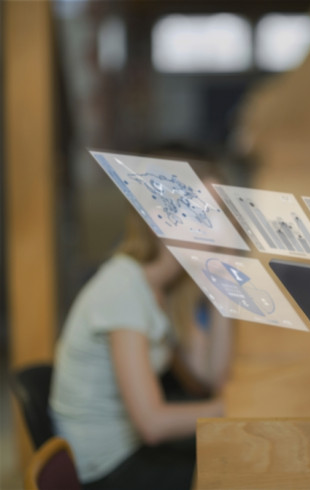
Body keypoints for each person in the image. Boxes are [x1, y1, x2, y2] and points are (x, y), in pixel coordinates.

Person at [50, 157, 234, 489]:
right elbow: (152, 424)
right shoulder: (124, 288)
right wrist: (231, 409)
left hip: (133, 447)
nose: (219, 231)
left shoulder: (172, 288)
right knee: (235, 470)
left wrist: (223, 292)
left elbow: (210, 376)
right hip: (107, 466)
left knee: (237, 456)